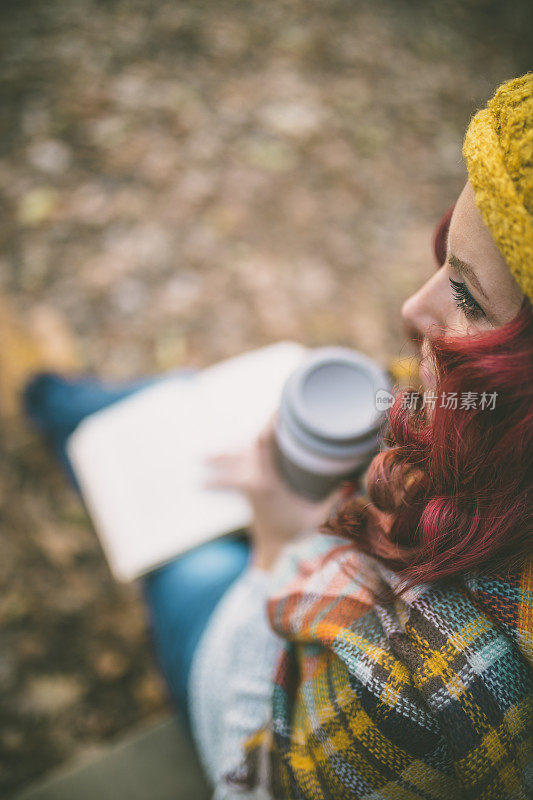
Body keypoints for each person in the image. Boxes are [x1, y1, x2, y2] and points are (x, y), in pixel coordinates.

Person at [23, 74, 532, 799]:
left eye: (465, 294)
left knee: (186, 554)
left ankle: (56, 404)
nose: (408, 307)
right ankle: (80, 401)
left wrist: (274, 543)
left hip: (250, 661)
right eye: (442, 260)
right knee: (179, 407)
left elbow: (250, 761)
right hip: (322, 552)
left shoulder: (433, 694)